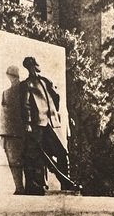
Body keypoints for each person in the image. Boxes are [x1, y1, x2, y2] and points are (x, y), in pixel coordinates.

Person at [19, 56, 76, 193]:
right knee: (36, 155)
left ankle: (66, 183)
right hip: (38, 123)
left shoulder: (46, 81)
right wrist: (27, 122)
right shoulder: (26, 84)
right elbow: (25, 105)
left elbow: (56, 98)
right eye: (31, 67)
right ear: (28, 68)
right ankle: (38, 185)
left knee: (62, 152)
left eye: (35, 66)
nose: (34, 69)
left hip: (52, 122)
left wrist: (54, 114)